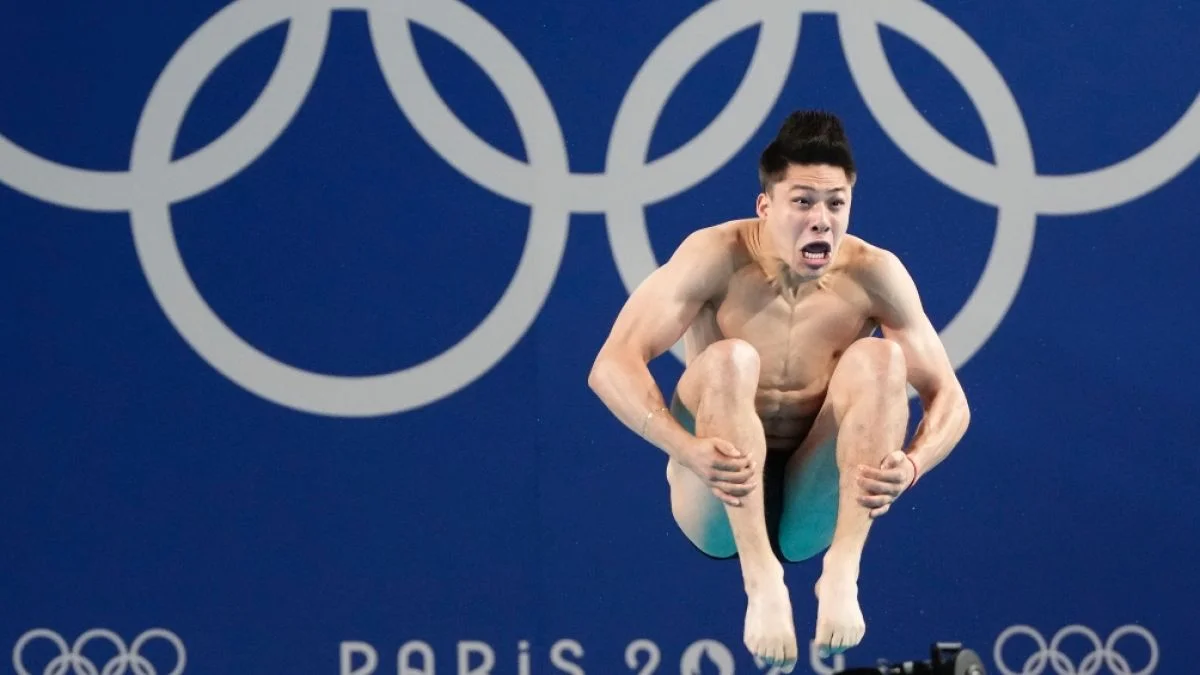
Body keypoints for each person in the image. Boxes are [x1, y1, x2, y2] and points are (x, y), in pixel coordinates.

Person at [587, 110, 971, 672]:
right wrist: (684, 447)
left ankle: (843, 569)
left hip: (811, 498)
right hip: (715, 491)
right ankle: (760, 579)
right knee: (729, 360)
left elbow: (952, 401)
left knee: (883, 359)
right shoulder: (714, 255)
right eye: (802, 202)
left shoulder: (874, 273)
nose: (821, 221)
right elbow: (611, 365)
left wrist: (912, 466)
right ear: (765, 206)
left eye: (835, 204)